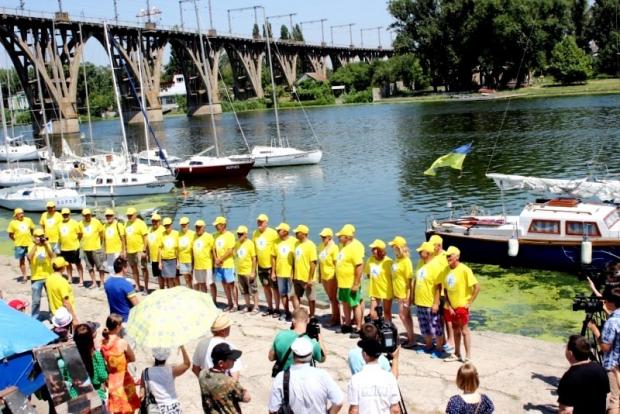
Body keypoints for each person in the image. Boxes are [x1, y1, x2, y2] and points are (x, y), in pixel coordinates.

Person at [268, 337, 343, 414]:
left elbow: (273, 409)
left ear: (292, 354)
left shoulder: (281, 377)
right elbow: (338, 401)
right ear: (311, 355)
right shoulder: (322, 375)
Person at [442, 246, 480, 363]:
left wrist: (469, 302)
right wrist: (448, 305)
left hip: (462, 306)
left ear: (457, 256)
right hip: (451, 307)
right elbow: (446, 290)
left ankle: (468, 356)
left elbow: (477, 287)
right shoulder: (446, 270)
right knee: (455, 330)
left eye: (450, 255)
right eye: (447, 256)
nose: (448, 258)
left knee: (464, 331)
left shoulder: (464, 270)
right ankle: (457, 353)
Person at [588, 287, 620, 414]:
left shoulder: (611, 322)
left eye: (606, 300)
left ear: (612, 302)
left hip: (614, 365)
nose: (604, 302)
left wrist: (595, 329)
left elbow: (605, 347)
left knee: (615, 399)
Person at [347, 339, 401, 414]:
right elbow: (395, 409)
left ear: (364, 354)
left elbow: (354, 410)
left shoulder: (355, 379)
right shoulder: (390, 378)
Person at [100, 313, 141, 414]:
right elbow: (133, 358)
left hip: (112, 380)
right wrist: (123, 361)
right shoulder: (122, 343)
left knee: (117, 410)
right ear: (118, 327)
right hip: (124, 379)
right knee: (128, 408)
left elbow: (104, 361)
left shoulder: (102, 343)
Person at [557, 335, 608, 414]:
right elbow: (606, 397)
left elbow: (566, 410)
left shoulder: (569, 377)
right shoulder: (600, 369)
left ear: (570, 354)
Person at [269, 308, 326, 374]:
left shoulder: (280, 336)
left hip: (284, 379)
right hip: (303, 380)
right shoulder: (311, 342)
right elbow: (322, 358)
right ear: (308, 320)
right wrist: (319, 335)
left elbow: (271, 357)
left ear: (292, 320)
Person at [199, 343, 251, 413]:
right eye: (231, 359)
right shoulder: (228, 381)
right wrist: (235, 383)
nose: (234, 360)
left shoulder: (202, 374)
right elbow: (247, 398)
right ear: (221, 363)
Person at [413, 241, 444, 356]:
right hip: (420, 301)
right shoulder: (421, 264)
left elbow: (438, 286)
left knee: (435, 327)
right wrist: (413, 297)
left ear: (428, 252)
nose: (420, 253)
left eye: (422, 251)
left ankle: (439, 348)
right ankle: (428, 345)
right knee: (424, 326)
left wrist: (436, 303)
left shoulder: (435, 266)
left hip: (430, 302)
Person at [192, 314, 243, 381]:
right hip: (225, 387)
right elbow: (235, 375)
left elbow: (195, 368)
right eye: (228, 327)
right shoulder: (229, 346)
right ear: (223, 331)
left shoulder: (202, 343)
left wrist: (205, 383)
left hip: (208, 386)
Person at [335, 225, 364, 338]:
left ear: (347, 237)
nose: (339, 238)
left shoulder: (354, 248)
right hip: (342, 283)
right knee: (345, 304)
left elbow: (359, 266)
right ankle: (347, 325)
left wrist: (356, 283)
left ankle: (358, 327)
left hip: (350, 282)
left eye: (341, 236)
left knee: (355, 304)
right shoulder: (343, 248)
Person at [142, 346, 190, 414]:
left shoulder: (146, 372)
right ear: (167, 356)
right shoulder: (171, 370)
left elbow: (142, 393)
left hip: (155, 409)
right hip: (173, 408)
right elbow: (187, 364)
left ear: (153, 355)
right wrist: (182, 347)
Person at [389, 236, 415, 348]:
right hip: (398, 293)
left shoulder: (406, 262)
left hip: (404, 294)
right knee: (405, 316)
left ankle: (412, 339)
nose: (392, 249)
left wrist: (408, 297)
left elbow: (410, 281)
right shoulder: (397, 259)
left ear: (398, 247)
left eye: (394, 247)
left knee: (403, 316)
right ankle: (410, 338)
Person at [253, 213, 280, 317]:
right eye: (258, 221)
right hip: (261, 266)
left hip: (271, 266)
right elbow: (255, 251)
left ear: (266, 223)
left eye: (261, 221)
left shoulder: (273, 233)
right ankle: (270, 308)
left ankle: (277, 309)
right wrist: (254, 267)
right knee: (265, 287)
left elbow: (277, 249)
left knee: (275, 288)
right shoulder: (255, 233)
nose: (259, 223)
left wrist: (275, 269)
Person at [74, 323, 108, 403]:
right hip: (96, 394)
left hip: (80, 395)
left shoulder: (73, 355)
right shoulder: (96, 355)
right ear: (90, 338)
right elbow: (103, 376)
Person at [271, 223, 297, 321]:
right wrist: (273, 272)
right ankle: (286, 312)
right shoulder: (275, 242)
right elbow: (273, 257)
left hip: (291, 273)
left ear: (285, 231)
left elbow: (296, 259)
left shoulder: (294, 241)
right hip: (280, 273)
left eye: (279, 230)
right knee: (283, 293)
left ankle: (296, 314)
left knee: (293, 295)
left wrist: (294, 272)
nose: (277, 232)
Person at [292, 224, 318, 316]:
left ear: (303, 233)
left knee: (311, 298)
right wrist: (293, 274)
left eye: (297, 232)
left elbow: (313, 263)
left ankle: (312, 315)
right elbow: (295, 260)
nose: (295, 233)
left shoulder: (311, 245)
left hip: (307, 278)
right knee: (294, 296)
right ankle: (298, 314)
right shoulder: (296, 244)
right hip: (297, 276)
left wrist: (310, 279)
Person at [27, 228, 53, 320]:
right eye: (38, 236)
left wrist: (45, 245)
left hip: (48, 275)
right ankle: (34, 318)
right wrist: (36, 245)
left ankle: (52, 316)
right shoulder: (31, 245)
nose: (40, 238)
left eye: (42, 236)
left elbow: (52, 256)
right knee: (36, 300)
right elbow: (29, 257)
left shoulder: (47, 244)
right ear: (34, 237)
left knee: (51, 298)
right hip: (36, 277)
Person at [213, 216, 237, 311]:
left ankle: (235, 304)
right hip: (219, 265)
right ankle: (229, 303)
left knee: (231, 284)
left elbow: (230, 250)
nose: (216, 227)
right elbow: (213, 249)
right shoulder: (215, 235)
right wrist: (216, 259)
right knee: (223, 283)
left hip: (228, 264)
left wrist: (221, 259)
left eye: (217, 225)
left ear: (223, 225)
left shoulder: (230, 235)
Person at [365, 239, 394, 321]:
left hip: (386, 290)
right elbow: (368, 274)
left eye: (375, 249)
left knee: (387, 312)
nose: (373, 251)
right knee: (373, 314)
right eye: (372, 249)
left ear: (380, 250)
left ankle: (388, 327)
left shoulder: (389, 262)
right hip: (374, 291)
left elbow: (393, 277)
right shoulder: (370, 260)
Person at [104, 257, 139, 322]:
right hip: (126, 319)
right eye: (127, 267)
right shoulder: (127, 284)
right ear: (123, 268)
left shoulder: (107, 282)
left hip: (114, 319)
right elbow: (136, 305)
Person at [45, 257, 78, 323]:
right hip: (65, 315)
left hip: (56, 314)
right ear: (63, 268)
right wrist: (74, 318)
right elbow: (66, 302)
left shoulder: (48, 279)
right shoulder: (62, 281)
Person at [318, 227, 340, 327]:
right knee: (330, 297)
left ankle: (335, 318)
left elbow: (336, 264)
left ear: (329, 237)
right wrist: (319, 276)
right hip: (324, 276)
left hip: (331, 276)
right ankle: (334, 315)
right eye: (321, 237)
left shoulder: (334, 248)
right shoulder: (322, 246)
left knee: (333, 298)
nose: (322, 238)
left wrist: (336, 277)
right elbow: (320, 262)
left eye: (324, 237)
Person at [234, 225, 258, 313]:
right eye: (238, 234)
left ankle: (256, 307)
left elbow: (254, 258)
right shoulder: (237, 244)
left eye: (241, 234)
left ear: (245, 234)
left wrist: (253, 272)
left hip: (248, 271)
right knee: (244, 290)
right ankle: (248, 306)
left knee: (253, 290)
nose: (239, 236)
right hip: (240, 271)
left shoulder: (250, 243)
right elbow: (236, 256)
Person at [125, 207, 149, 293]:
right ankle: (138, 286)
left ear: (135, 215)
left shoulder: (141, 223)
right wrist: (125, 249)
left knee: (143, 268)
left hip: (139, 250)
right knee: (133, 268)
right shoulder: (126, 223)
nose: (129, 217)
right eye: (128, 215)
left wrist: (144, 250)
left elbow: (145, 237)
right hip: (130, 250)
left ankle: (146, 288)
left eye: (131, 215)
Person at [80, 208, 106, 288]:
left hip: (96, 248)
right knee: (89, 267)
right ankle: (94, 282)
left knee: (100, 267)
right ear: (83, 215)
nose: (87, 216)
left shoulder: (96, 222)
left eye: (88, 214)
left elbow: (102, 234)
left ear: (90, 214)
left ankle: (101, 283)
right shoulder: (80, 223)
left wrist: (100, 244)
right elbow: (80, 235)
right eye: (85, 215)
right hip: (86, 249)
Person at [7, 208, 34, 282]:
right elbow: (10, 234)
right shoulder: (12, 223)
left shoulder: (28, 220)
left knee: (31, 259)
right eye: (19, 214)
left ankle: (34, 274)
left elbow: (32, 229)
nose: (21, 215)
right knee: (21, 260)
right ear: (16, 215)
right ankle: (24, 276)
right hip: (19, 244)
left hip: (29, 243)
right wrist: (15, 240)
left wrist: (32, 237)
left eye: (22, 213)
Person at [58, 208, 84, 285]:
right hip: (64, 248)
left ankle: (81, 280)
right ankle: (70, 278)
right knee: (67, 264)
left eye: (67, 214)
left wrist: (76, 241)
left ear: (70, 214)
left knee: (78, 264)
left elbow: (80, 234)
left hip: (74, 247)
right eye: (64, 214)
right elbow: (59, 236)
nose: (65, 215)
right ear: (62, 215)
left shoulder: (75, 223)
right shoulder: (59, 224)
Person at [193, 220, 215, 297]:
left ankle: (214, 301)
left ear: (204, 227)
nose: (197, 229)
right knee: (201, 284)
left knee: (210, 284)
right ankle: (204, 300)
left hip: (207, 265)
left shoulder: (209, 236)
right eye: (196, 227)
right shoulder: (194, 236)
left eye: (199, 227)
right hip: (197, 266)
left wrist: (215, 262)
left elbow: (213, 250)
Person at [103, 209, 126, 275]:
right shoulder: (104, 226)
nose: (108, 217)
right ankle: (112, 281)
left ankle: (121, 282)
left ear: (113, 216)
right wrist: (105, 250)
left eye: (110, 215)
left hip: (117, 251)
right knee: (110, 268)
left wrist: (123, 251)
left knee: (118, 268)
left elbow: (123, 239)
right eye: (107, 216)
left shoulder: (118, 225)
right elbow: (104, 239)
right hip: (109, 251)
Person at [158, 217, 179, 289]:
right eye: (165, 225)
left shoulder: (176, 233)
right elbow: (160, 249)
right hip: (165, 260)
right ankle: (172, 292)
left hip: (174, 259)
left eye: (168, 225)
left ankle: (178, 292)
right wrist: (160, 262)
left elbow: (177, 249)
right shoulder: (161, 234)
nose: (167, 227)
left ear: (171, 225)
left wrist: (178, 262)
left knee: (175, 278)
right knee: (169, 278)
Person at [147, 213, 165, 290]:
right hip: (153, 257)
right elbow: (147, 243)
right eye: (153, 221)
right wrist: (147, 254)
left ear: (159, 221)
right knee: (158, 275)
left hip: (162, 257)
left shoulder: (163, 229)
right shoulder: (149, 230)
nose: (154, 223)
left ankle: (167, 290)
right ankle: (161, 290)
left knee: (164, 275)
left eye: (156, 221)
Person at [178, 216, 195, 288]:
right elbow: (176, 249)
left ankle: (196, 293)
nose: (183, 226)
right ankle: (189, 292)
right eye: (182, 224)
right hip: (182, 260)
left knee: (194, 279)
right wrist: (178, 261)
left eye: (185, 224)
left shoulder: (193, 234)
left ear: (188, 224)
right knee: (187, 279)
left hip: (191, 260)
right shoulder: (178, 234)